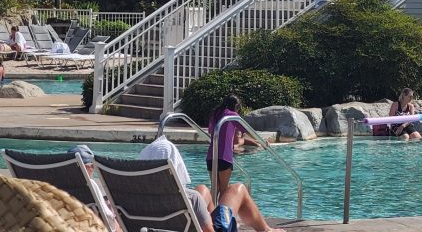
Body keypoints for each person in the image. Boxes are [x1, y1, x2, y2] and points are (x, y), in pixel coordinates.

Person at [140, 135, 282, 232]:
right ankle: (265, 229)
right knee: (238, 189)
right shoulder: (190, 198)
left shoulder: (128, 198)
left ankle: (216, 218)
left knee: (202, 189)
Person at [68, 145, 119, 231]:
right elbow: (108, 218)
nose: (93, 169)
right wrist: (113, 213)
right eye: (92, 165)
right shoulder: (89, 184)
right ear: (83, 167)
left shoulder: (58, 184)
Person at [207, 93, 242, 197]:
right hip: (224, 156)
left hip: (211, 155)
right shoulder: (232, 115)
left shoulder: (215, 114)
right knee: (224, 190)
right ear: (235, 105)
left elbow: (210, 131)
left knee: (214, 188)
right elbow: (247, 129)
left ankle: (209, 212)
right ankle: (221, 213)